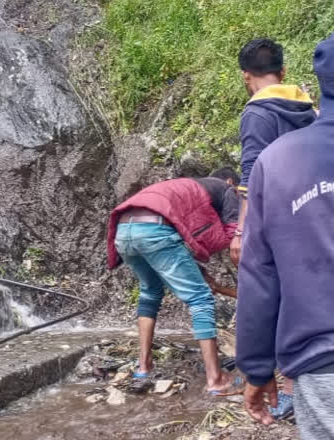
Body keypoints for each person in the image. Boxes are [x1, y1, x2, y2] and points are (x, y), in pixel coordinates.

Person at [236, 35, 334, 439]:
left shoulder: (274, 159)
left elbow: (259, 272)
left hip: (323, 362)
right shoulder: (299, 111)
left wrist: (257, 367)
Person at [107, 169, 242, 394]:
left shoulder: (186, 187)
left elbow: (182, 240)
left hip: (124, 229)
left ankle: (143, 367)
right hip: (155, 229)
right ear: (230, 181)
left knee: (150, 292)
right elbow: (231, 232)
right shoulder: (228, 189)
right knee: (201, 299)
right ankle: (215, 379)